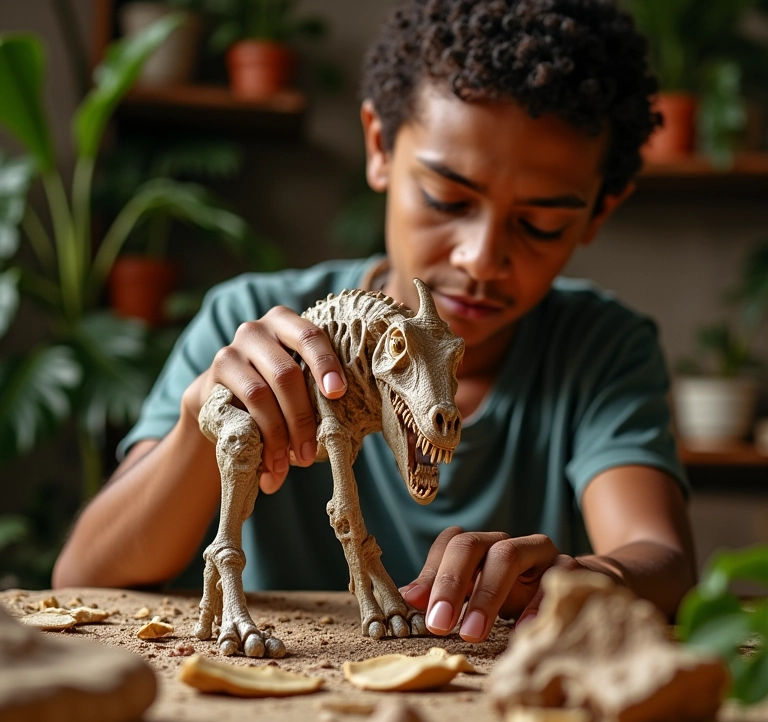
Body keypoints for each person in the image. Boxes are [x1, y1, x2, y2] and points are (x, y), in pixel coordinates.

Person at [53, 0, 696, 642]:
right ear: (380, 146)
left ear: (599, 211)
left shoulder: (604, 348)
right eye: (447, 199)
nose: (481, 259)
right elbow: (84, 573)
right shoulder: (242, 320)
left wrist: (592, 574)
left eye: (541, 225)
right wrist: (201, 424)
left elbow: (661, 558)